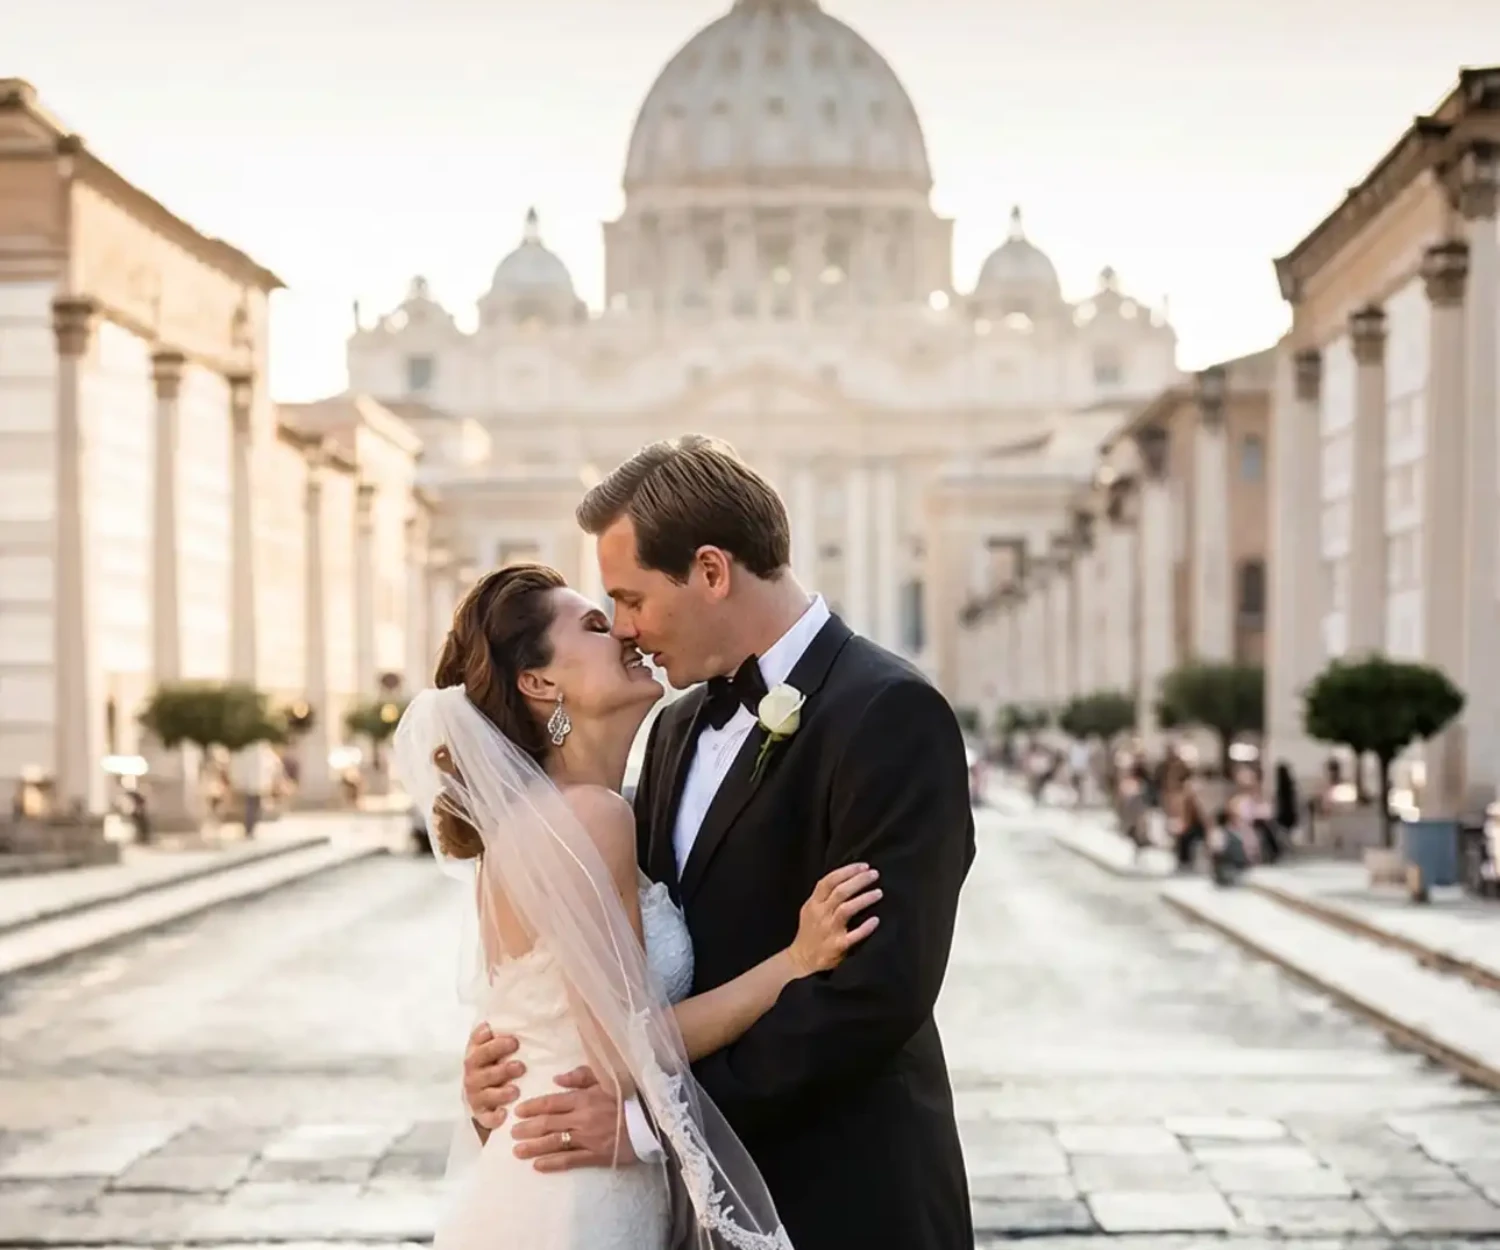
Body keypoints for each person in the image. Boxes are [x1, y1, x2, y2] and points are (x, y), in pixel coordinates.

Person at [461, 435, 976, 1250]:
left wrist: (645, 1124)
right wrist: (514, 1056)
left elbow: (875, 996)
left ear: (710, 571)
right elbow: (613, 958)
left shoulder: (891, 714)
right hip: (688, 1212)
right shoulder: (672, 727)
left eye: (630, 599)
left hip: (843, 1198)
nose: (627, 631)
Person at [396, 565, 883, 1249]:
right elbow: (625, 1048)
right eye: (596, 625)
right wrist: (794, 962)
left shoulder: (559, 818)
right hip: (576, 1197)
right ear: (540, 683)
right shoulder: (591, 818)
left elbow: (538, 1021)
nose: (625, 630)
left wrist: (489, 1089)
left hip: (552, 1178)